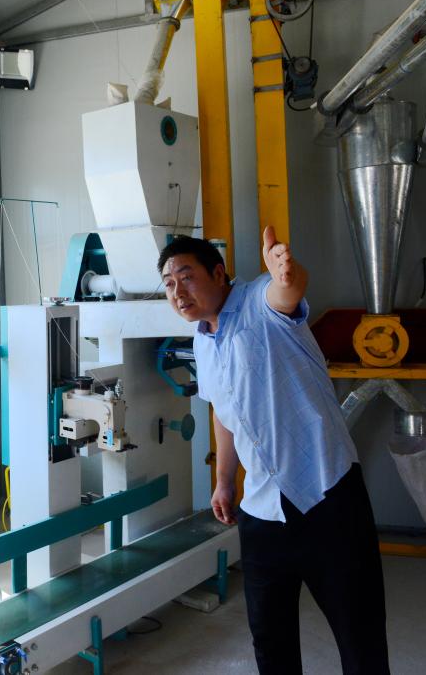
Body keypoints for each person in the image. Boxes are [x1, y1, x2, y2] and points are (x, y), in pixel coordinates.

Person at [159, 229, 389, 674]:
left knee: (359, 635)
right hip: (262, 510)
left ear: (218, 273)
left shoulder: (258, 300)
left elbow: (287, 291)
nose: (178, 292)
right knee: (270, 641)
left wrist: (286, 272)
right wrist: (224, 481)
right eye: (169, 284)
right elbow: (223, 413)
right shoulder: (202, 343)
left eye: (186, 277)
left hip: (327, 495)